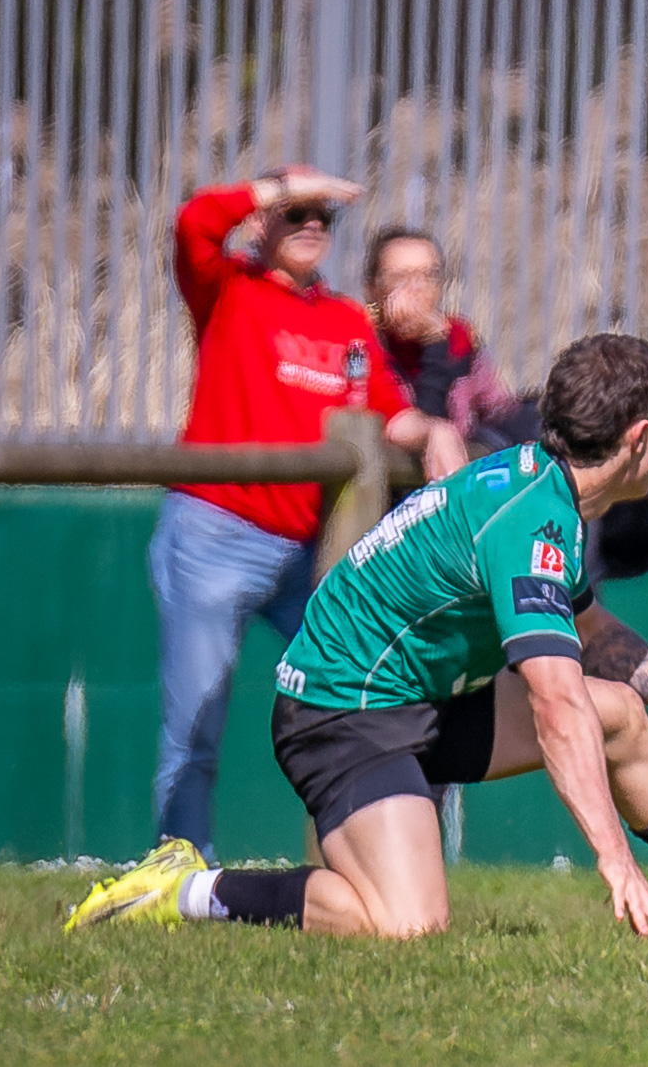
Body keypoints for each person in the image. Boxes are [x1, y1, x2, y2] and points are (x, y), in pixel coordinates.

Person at [67, 334, 648, 941]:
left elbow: (592, 633)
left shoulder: (542, 486)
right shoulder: (530, 521)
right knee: (405, 925)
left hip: (423, 700)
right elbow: (559, 707)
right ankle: (188, 888)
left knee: (621, 713)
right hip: (340, 716)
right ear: (637, 439)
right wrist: (615, 862)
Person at [153, 166, 469, 863]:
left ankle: (366, 864)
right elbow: (194, 223)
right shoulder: (229, 288)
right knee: (196, 718)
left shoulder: (346, 321)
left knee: (371, 688)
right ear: (263, 222)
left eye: (322, 217)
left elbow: (385, 411)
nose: (308, 227)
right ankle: (177, 870)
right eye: (294, 214)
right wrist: (276, 185)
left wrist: (432, 431)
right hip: (215, 531)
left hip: (311, 547)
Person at [364, 225, 648, 581]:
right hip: (400, 517)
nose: (416, 290)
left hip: (472, 501)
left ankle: (577, 591)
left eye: (428, 275)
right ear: (373, 289)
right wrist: (433, 354)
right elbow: (415, 423)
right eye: (401, 277)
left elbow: (498, 406)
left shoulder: (457, 338)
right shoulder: (364, 342)